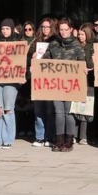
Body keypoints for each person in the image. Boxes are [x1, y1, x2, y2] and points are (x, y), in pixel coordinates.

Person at [43, 18, 85, 152]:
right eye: (61, 30)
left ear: (71, 29)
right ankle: (59, 140)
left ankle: (69, 140)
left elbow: (83, 63)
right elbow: (45, 61)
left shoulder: (77, 45)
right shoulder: (53, 44)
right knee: (58, 112)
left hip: (72, 85)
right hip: (56, 84)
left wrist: (85, 69)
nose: (63, 32)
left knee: (69, 113)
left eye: (66, 29)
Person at [0, 19, 24, 150]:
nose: (4, 31)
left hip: (11, 80)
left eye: (7, 29)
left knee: (8, 109)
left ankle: (8, 139)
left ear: (12, 29)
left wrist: (22, 75)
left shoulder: (18, 43)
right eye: (3, 29)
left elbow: (23, 61)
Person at [27, 17, 56, 147]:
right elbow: (28, 57)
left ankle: (49, 137)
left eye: (47, 27)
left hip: (51, 80)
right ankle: (39, 136)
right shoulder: (36, 41)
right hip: (38, 79)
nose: (45, 29)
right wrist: (32, 58)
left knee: (49, 110)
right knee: (38, 109)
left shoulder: (55, 41)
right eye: (43, 27)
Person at [76, 22, 98, 146]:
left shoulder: (92, 46)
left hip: (89, 82)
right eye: (79, 34)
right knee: (75, 108)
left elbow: (91, 64)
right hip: (77, 81)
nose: (80, 37)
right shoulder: (75, 45)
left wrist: (90, 64)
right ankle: (74, 134)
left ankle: (84, 136)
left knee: (85, 109)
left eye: (83, 34)